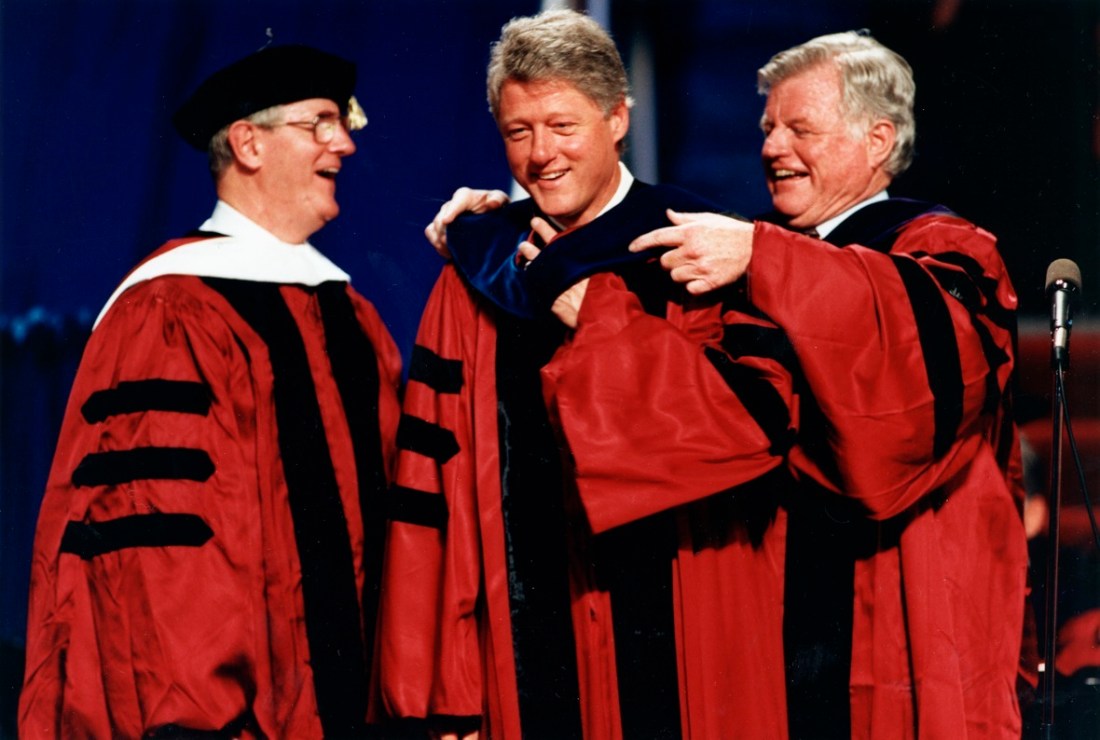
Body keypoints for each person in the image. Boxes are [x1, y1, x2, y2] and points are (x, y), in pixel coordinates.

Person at [429, 29, 1028, 740]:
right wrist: (487, 238)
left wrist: (764, 258)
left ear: (877, 139)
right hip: (763, 622)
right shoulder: (739, 253)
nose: (773, 147)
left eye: (800, 128)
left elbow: (905, 403)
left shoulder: (943, 250)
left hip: (902, 615)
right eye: (768, 127)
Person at [379, 9, 795, 739]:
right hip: (526, 651)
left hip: (688, 633)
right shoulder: (481, 269)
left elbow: (739, 437)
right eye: (518, 131)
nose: (541, 155)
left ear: (617, 118)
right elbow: (432, 504)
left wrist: (588, 309)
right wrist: (440, 694)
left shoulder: (698, 248)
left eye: (562, 127)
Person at [19, 44, 402, 739]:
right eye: (318, 123)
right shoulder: (169, 313)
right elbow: (159, 567)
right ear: (248, 144)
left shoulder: (354, 319)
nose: (344, 142)